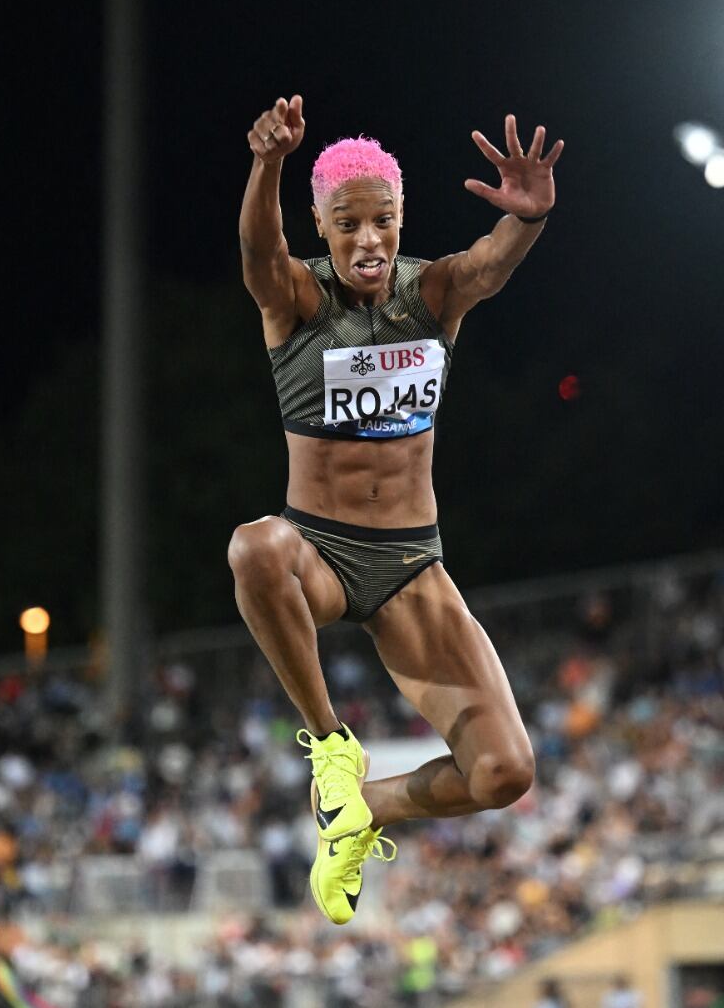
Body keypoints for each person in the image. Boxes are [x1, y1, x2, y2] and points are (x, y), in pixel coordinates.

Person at [231, 93, 564, 924]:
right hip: (322, 550)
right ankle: (332, 749)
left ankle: (362, 811)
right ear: (321, 226)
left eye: (381, 220)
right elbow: (255, 252)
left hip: (412, 559)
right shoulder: (298, 300)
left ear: (401, 215)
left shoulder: (433, 293)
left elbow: (489, 262)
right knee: (253, 549)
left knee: (504, 773)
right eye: (346, 225)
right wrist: (267, 163)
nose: (367, 240)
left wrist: (527, 221)